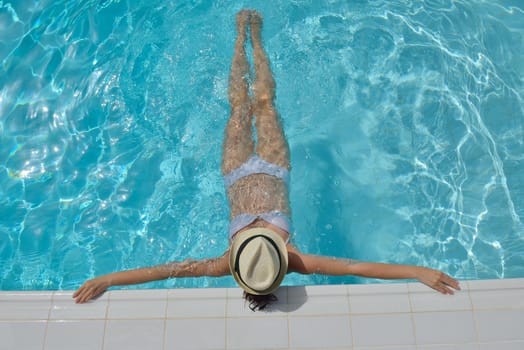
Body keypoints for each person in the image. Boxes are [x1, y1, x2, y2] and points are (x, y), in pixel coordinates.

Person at [73, 10, 460, 307]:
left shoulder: (228, 263)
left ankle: (242, 34)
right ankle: (256, 39)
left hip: (236, 171)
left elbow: (167, 270)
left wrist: (110, 278)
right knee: (265, 101)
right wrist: (416, 271)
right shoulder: (291, 259)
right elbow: (356, 267)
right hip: (275, 167)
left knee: (239, 106)